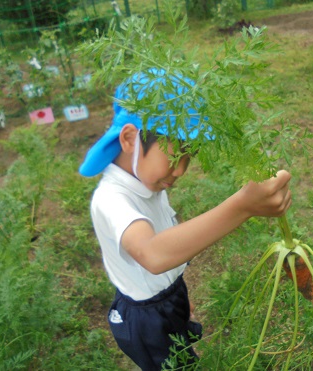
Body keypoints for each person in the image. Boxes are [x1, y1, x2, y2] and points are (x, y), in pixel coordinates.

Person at [79, 69, 292, 370]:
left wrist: (177, 301)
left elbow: (168, 254)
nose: (181, 170)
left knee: (183, 358)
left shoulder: (146, 180)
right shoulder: (111, 199)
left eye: (189, 157)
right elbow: (152, 254)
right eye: (176, 154)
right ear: (129, 138)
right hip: (145, 317)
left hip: (167, 296)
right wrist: (242, 206)